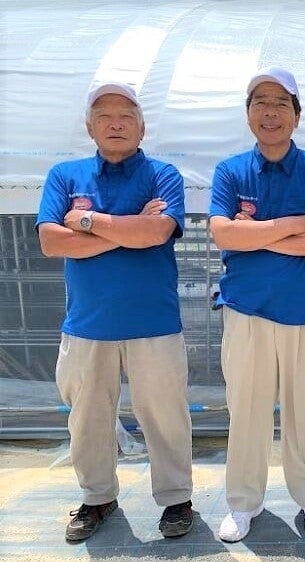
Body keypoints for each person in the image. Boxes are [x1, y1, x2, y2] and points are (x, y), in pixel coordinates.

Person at [36, 81, 194, 542]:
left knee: (165, 415)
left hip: (154, 322)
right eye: (104, 116)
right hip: (88, 324)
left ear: (142, 127)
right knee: (87, 418)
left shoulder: (162, 174)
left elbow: (157, 233)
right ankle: (97, 497)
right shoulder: (65, 175)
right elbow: (50, 241)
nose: (116, 123)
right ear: (90, 128)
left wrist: (87, 224)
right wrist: (132, 228)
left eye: (126, 115)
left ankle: (176, 499)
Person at [208, 66, 305, 542]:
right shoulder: (231, 171)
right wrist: (294, 224)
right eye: (261, 102)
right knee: (245, 411)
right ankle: (243, 502)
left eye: (280, 103)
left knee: (303, 410)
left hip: (300, 313)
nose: (270, 112)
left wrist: (256, 234)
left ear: (296, 115)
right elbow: (224, 233)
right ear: (248, 113)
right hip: (245, 311)